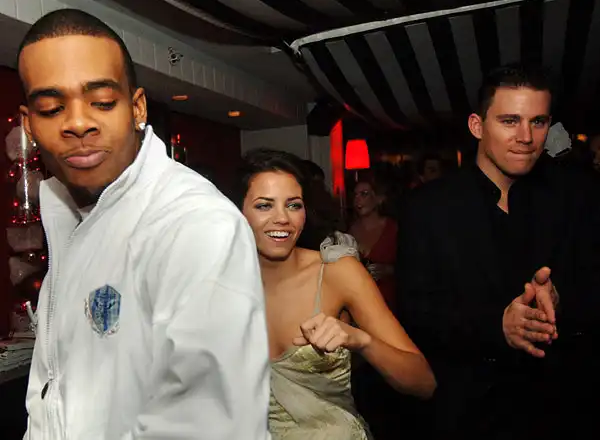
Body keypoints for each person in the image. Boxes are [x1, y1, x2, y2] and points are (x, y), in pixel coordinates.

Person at [18, 9, 270, 439]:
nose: (77, 123)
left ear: (136, 108)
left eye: (101, 102)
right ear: (29, 124)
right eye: (51, 108)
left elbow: (206, 428)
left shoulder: (196, 225)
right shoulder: (66, 214)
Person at [396, 64, 600, 439]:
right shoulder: (427, 208)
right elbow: (415, 311)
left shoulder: (578, 197)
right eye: (510, 121)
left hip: (561, 406)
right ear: (477, 126)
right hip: (467, 412)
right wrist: (497, 325)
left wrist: (560, 299)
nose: (526, 137)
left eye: (538, 122)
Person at [235, 149, 435, 439]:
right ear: (238, 213)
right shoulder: (222, 283)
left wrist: (361, 341)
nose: (282, 218)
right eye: (264, 205)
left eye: (293, 205)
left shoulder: (337, 272)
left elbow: (423, 382)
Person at [349, 174, 398, 313]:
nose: (358, 199)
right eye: (355, 195)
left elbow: (412, 266)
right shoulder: (350, 230)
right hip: (359, 303)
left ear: (378, 198)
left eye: (364, 194)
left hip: (389, 302)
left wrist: (388, 270)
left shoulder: (393, 228)